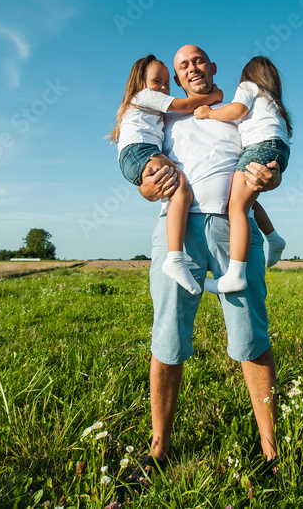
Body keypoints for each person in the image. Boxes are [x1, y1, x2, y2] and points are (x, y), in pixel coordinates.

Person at [118, 45, 281, 497]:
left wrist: (273, 177)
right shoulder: (165, 114)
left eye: (198, 60)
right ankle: (159, 450)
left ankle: (272, 452)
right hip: (178, 230)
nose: (191, 68)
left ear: (212, 67)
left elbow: (267, 158)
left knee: (251, 336)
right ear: (175, 78)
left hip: (234, 230)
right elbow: (144, 174)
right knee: (168, 336)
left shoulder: (240, 109)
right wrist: (146, 188)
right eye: (182, 66)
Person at [108, 55, 222, 294]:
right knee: (182, 191)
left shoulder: (153, 110)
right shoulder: (144, 96)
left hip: (138, 153)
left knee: (180, 191)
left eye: (167, 84)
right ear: (140, 83)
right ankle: (175, 259)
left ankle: (175, 258)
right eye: (156, 81)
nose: (162, 88)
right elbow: (184, 105)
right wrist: (213, 97)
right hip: (140, 150)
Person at [194, 56, 292, 293]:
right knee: (248, 203)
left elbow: (237, 109)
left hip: (259, 147)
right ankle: (274, 238)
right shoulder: (273, 103)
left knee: (236, 207)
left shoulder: (248, 86)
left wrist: (208, 112)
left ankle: (235, 274)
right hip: (278, 151)